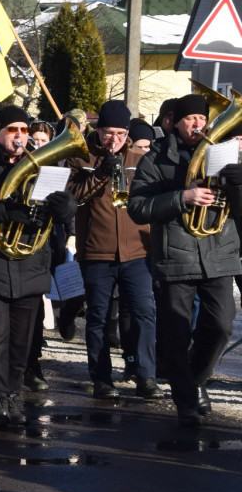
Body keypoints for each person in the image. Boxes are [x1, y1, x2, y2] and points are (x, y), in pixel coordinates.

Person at [0, 106, 77, 428]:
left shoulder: (42, 166)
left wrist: (66, 206)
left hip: (31, 266)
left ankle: (13, 394)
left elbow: (67, 209)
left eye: (23, 130)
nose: (19, 137)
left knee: (22, 342)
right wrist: (4, 210)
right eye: (12, 130)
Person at [127, 93, 242, 426]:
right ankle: (186, 401)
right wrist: (184, 196)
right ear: (175, 121)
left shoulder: (223, 154)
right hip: (177, 256)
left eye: (203, 119)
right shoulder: (157, 158)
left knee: (221, 326)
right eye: (191, 119)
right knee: (176, 332)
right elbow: (138, 208)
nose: (198, 124)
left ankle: (196, 380)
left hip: (219, 253)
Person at [67, 100, 158, 401]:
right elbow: (72, 198)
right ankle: (101, 379)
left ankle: (146, 375)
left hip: (137, 252)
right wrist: (100, 173)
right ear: (98, 129)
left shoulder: (139, 157)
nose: (114, 139)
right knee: (98, 318)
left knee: (145, 313)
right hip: (97, 252)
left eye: (120, 133)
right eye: (108, 132)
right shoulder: (80, 157)